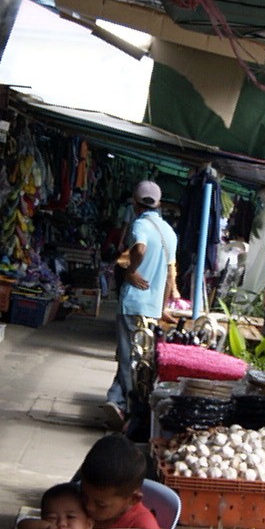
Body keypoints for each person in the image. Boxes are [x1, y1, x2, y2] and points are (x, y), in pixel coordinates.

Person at [107, 177, 179, 419]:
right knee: (138, 358)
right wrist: (162, 306)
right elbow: (171, 276)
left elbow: (139, 249)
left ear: (136, 205)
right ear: (158, 205)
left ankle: (129, 408)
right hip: (152, 309)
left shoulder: (140, 225)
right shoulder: (169, 233)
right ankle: (116, 400)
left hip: (133, 303)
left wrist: (130, 271)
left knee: (128, 357)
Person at [77, 432, 160, 529]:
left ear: (133, 499)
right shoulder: (72, 506)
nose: (88, 507)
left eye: (100, 504)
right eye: (84, 496)